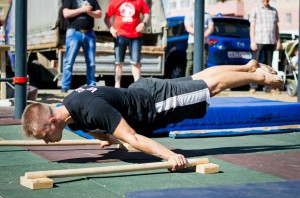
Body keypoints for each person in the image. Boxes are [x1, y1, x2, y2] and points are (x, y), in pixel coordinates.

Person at [21, 59, 283, 171]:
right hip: (141, 90)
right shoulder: (68, 106)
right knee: (197, 79)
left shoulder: (90, 109)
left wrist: (170, 155)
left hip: (156, 102)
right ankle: (246, 66)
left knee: (209, 88)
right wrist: (107, 138)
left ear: (52, 121)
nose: (46, 142)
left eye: (45, 136)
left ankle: (260, 76)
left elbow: (134, 138)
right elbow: (88, 126)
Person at [104, 0, 150, 88]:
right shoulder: (115, 2)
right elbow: (107, 18)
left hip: (136, 36)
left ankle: (138, 86)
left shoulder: (139, 1)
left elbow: (147, 13)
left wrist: (143, 23)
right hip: (120, 36)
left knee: (136, 62)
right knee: (118, 62)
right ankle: (117, 86)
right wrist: (111, 29)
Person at [61, 0, 102, 93]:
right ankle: (65, 87)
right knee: (69, 62)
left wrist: (89, 12)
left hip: (89, 33)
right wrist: (82, 9)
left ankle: (91, 85)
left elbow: (99, 14)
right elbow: (66, 13)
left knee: (91, 63)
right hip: (74, 33)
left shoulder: (92, 1)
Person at [248, 0, 281, 94]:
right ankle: (253, 86)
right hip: (258, 41)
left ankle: (269, 88)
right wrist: (252, 41)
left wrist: (278, 41)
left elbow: (276, 27)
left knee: (269, 66)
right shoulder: (255, 10)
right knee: (254, 65)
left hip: (271, 41)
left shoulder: (274, 10)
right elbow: (252, 27)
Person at [184, 1, 214, 76]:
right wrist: (199, 36)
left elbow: (211, 28)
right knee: (190, 64)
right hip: (192, 43)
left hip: (204, 43)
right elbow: (188, 28)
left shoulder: (208, 16)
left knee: (203, 64)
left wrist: (203, 36)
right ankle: (187, 82)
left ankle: (202, 83)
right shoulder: (190, 15)